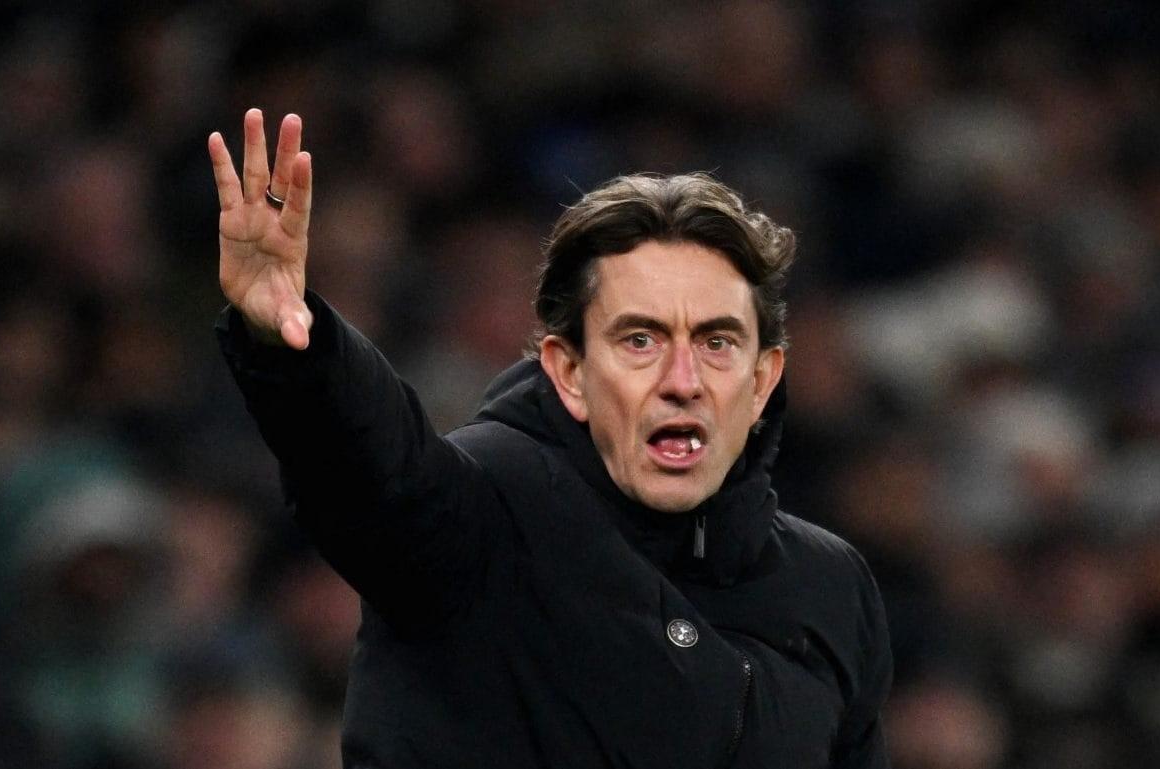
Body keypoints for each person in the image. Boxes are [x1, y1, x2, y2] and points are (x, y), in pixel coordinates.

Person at [209, 108, 892, 768]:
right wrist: (294, 345)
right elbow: (371, 467)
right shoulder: (484, 508)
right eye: (640, 339)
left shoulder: (832, 586)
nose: (682, 381)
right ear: (569, 371)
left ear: (762, 378)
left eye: (717, 342)